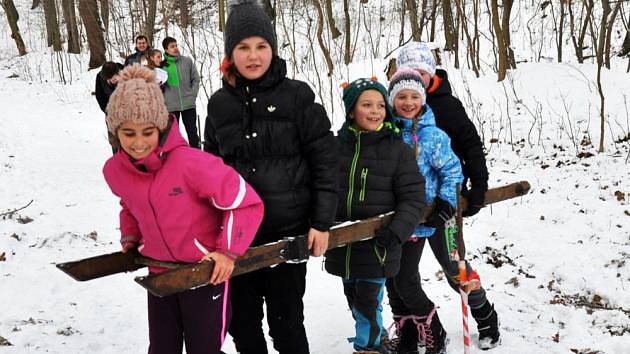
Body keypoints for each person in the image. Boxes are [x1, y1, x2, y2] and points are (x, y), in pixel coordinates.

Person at [204, 1, 338, 353]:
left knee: (287, 324)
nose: (253, 56)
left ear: (273, 48)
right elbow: (209, 173)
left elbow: (325, 159)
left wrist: (321, 222)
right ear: (230, 53)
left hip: (288, 233)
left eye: (261, 46)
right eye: (243, 47)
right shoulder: (218, 104)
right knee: (243, 326)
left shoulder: (297, 96)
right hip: (237, 241)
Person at [102, 65, 264, 354]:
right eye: (128, 133)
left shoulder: (191, 164)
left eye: (147, 131)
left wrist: (227, 251)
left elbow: (246, 203)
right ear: (115, 132)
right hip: (160, 273)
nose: (139, 142)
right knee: (163, 348)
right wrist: (130, 238)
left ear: (162, 126)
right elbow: (130, 203)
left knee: (204, 348)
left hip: (204, 274)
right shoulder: (116, 170)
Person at [396, 42, 501, 350]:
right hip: (408, 215)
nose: (417, 78)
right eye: (410, 72)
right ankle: (431, 328)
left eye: (422, 72)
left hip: (444, 207)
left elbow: (469, 145)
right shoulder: (395, 112)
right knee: (403, 279)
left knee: (455, 270)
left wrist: (478, 185)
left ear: (431, 73)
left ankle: (485, 315)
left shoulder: (446, 106)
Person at [324, 77, 425, 354]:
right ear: (351, 110)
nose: (375, 110)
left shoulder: (397, 151)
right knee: (356, 302)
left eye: (380, 105)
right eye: (366, 104)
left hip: (378, 246)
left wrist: (397, 231)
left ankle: (367, 348)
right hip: (342, 245)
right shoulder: (335, 148)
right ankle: (375, 339)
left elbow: (414, 196)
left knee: (368, 303)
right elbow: (321, 187)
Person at [162, 36, 201, 148]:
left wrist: (192, 94)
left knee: (193, 134)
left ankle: (197, 159)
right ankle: (176, 160)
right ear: (166, 49)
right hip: (171, 107)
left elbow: (196, 79)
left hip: (188, 104)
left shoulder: (187, 61)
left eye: (176, 45)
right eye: (172, 46)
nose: (175, 48)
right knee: (173, 136)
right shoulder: (162, 65)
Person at [95, 61, 124, 153]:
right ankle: (117, 161)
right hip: (112, 114)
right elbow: (100, 96)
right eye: (109, 78)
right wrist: (107, 110)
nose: (112, 80)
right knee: (115, 141)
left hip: (128, 113)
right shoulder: (100, 77)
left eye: (114, 77)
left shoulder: (126, 72)